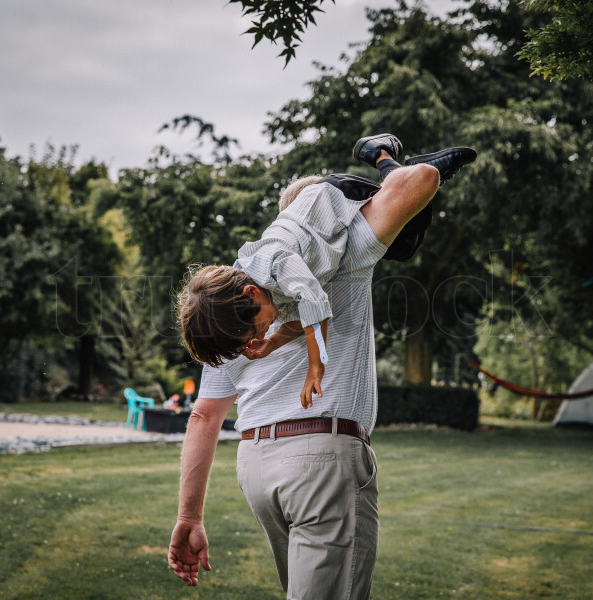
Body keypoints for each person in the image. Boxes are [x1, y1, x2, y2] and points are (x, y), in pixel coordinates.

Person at [168, 134, 476, 598]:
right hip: (320, 458)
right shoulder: (342, 250)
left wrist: (189, 516)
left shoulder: (221, 310)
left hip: (255, 467)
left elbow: (204, 415)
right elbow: (420, 183)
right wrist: (390, 163)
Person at [177, 134, 477, 405]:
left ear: (251, 293)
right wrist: (270, 344)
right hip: (334, 236)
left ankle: (379, 153)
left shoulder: (273, 260)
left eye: (257, 328)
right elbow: (300, 321)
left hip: (335, 197)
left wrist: (315, 365)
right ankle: (400, 165)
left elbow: (313, 301)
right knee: (406, 247)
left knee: (418, 197)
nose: (263, 330)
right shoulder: (269, 297)